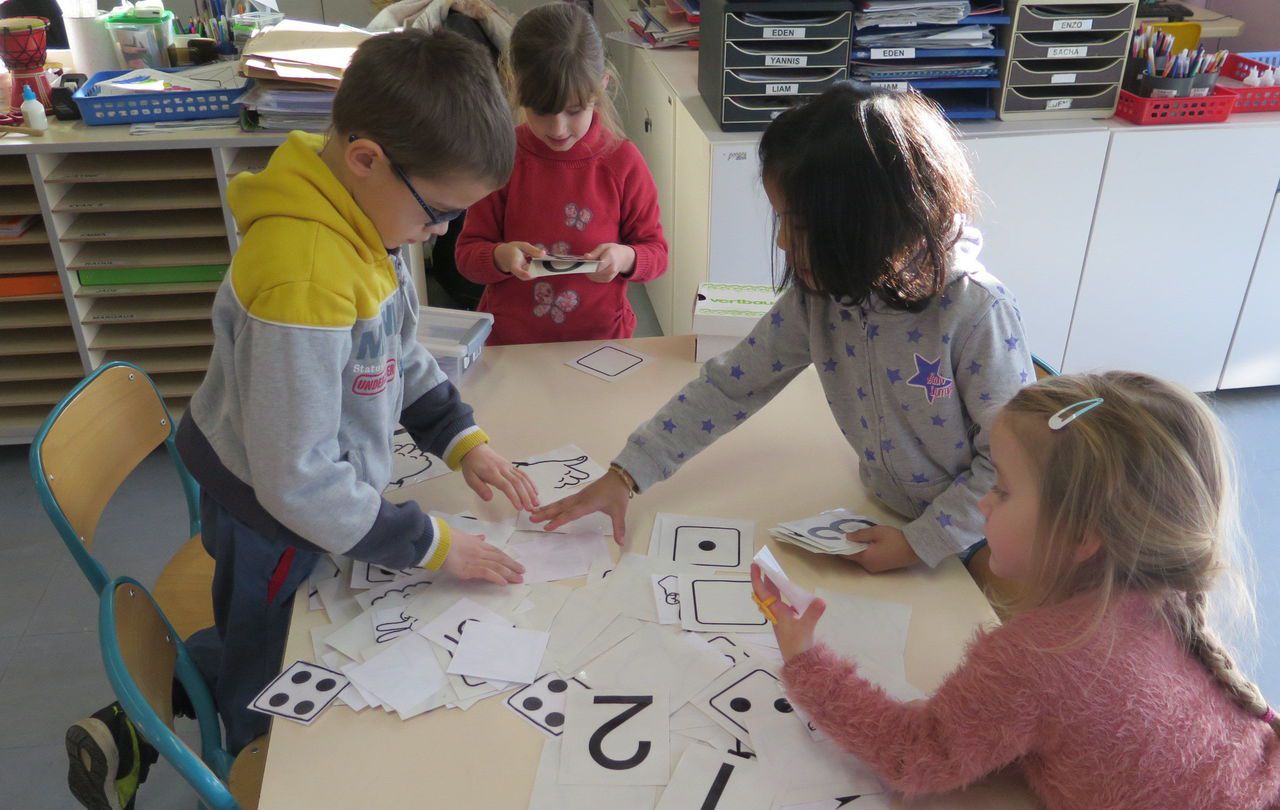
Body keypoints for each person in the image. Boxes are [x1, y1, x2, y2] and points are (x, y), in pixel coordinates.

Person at [66, 30, 533, 809]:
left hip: (302, 490)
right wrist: (431, 543)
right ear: (366, 158)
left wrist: (461, 440)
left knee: (282, 624)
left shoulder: (363, 222)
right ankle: (246, 758)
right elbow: (296, 480)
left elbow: (398, 348)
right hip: (269, 515)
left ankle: (139, 712)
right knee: (269, 664)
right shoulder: (306, 277)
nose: (441, 233)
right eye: (441, 213)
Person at [534, 84, 1033, 573]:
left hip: (980, 541)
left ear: (863, 222)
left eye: (796, 224)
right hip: (885, 514)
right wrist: (627, 474)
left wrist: (920, 544)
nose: (780, 242)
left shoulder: (975, 313)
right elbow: (731, 386)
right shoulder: (822, 297)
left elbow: (1011, 467)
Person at [754, 372, 1280, 809]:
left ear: (1080, 536)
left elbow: (912, 755)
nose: (982, 503)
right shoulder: (1158, 596)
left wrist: (805, 662)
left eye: (1002, 489)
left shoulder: (1036, 657)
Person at [455, 1, 668, 344]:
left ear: (602, 87)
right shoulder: (503, 156)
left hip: (600, 340)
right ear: (515, 86)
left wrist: (624, 256)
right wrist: (500, 256)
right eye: (541, 111)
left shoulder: (622, 161)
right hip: (513, 343)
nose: (557, 128)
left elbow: (655, 253)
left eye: (573, 110)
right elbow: (466, 255)